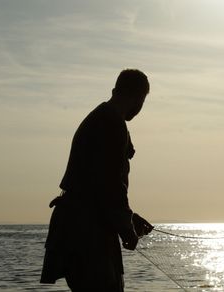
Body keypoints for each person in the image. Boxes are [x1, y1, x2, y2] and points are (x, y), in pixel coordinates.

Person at [41, 69, 154, 291]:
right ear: (138, 99)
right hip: (87, 234)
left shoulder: (102, 117)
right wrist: (126, 226)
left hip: (77, 226)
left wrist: (129, 217)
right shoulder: (112, 124)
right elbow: (110, 185)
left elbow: (98, 184)